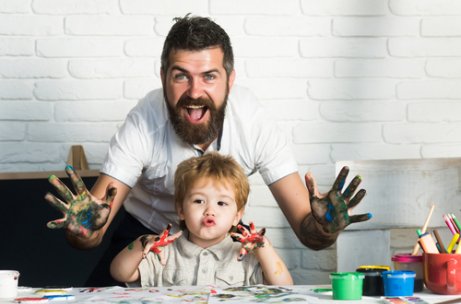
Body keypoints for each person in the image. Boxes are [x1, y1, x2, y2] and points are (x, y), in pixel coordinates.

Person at [45, 14, 371, 286]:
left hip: (222, 234)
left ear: (230, 81)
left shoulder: (254, 122)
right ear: (163, 77)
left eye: (209, 76)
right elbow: (90, 231)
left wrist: (325, 228)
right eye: (181, 76)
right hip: (147, 236)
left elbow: (309, 232)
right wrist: (85, 229)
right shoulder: (143, 122)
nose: (195, 91)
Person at [110, 152, 293, 287]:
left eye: (222, 203)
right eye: (199, 201)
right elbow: (120, 273)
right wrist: (142, 243)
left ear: (237, 216)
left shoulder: (246, 255)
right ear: (181, 210)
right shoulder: (164, 253)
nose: (210, 211)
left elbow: (284, 286)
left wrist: (264, 248)